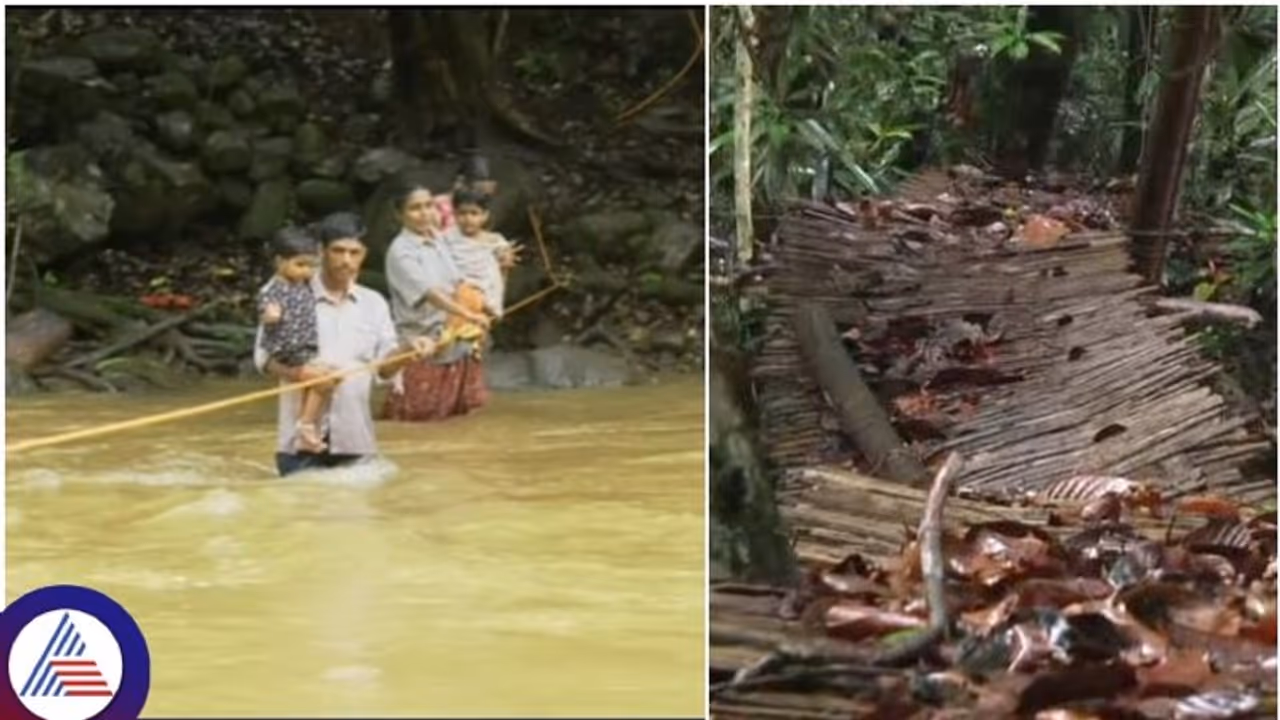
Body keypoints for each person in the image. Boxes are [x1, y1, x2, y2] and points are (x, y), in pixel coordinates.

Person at [254, 211, 437, 477]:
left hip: (356, 441)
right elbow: (263, 357)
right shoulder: (289, 292)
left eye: (355, 252)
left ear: (364, 254)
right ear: (321, 252)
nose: (346, 261)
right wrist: (302, 374)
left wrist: (409, 350)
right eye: (338, 251)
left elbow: (384, 369)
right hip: (299, 447)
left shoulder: (374, 304)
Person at [381, 183, 493, 422]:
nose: (425, 213)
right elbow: (431, 293)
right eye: (415, 208)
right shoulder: (401, 252)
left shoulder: (438, 239)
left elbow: (457, 282)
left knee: (457, 421)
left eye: (429, 206)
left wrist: (481, 306)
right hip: (422, 347)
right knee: (415, 420)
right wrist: (470, 314)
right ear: (399, 214)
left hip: (455, 338)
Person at [257, 226, 331, 453]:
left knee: (324, 378)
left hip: (304, 347)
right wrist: (270, 316)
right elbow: (265, 309)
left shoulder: (304, 283)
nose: (306, 271)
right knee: (323, 381)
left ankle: (307, 425)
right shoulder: (274, 288)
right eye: (300, 265)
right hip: (288, 349)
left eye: (311, 266)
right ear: (280, 262)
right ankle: (306, 426)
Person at [443, 188, 512, 355]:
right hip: (455, 304)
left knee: (474, 351)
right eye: (462, 213)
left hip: (483, 306)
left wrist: (495, 304)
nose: (468, 219)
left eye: (474, 213)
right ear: (454, 214)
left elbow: (501, 275)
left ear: (485, 215)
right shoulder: (445, 239)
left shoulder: (495, 241)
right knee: (451, 348)